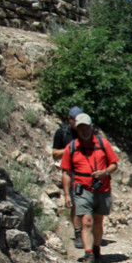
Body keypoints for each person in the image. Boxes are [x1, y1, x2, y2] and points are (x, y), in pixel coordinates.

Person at [61, 113, 119, 263]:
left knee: (98, 222)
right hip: (82, 190)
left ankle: (96, 248)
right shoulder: (71, 147)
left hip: (102, 189)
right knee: (86, 222)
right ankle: (89, 255)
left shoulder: (103, 144)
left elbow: (115, 164)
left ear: (91, 127)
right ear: (77, 129)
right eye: (80, 128)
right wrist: (67, 195)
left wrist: (105, 172)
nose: (84, 131)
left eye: (86, 127)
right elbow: (66, 173)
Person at [52, 106, 83, 248]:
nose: (78, 123)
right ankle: (78, 234)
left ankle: (87, 231)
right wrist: (70, 148)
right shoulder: (62, 133)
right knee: (75, 204)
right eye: (75, 120)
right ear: (69, 119)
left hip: (86, 171)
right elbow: (54, 154)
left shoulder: (87, 132)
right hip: (70, 172)